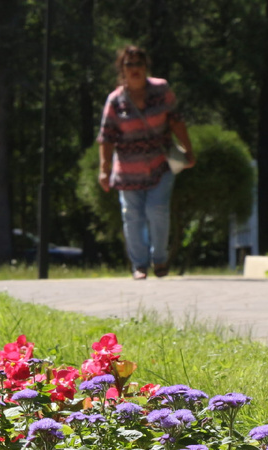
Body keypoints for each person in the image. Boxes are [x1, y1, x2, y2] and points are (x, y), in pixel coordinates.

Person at [98, 44, 195, 280]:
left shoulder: (161, 90)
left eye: (138, 63)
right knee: (132, 216)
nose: (134, 69)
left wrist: (188, 150)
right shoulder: (115, 100)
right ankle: (139, 265)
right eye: (129, 64)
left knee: (157, 210)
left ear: (146, 67)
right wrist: (104, 169)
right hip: (127, 170)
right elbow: (106, 136)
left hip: (159, 165)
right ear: (122, 69)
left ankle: (159, 260)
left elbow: (176, 121)